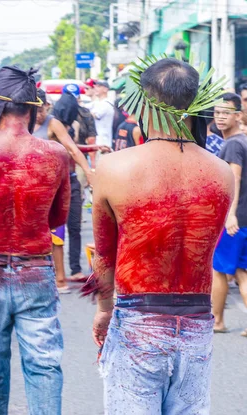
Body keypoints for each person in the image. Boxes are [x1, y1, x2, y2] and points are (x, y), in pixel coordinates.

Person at [88, 57, 233, 414]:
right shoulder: (220, 174)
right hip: (197, 326)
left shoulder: (113, 169)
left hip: (138, 321)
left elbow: (104, 255)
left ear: (143, 102)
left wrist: (104, 311)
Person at [0, 66, 70, 414]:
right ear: (34, 107)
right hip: (36, 267)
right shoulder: (56, 155)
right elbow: (58, 219)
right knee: (44, 364)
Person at [37, 86, 108, 288]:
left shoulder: (54, 124)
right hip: (41, 187)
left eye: (41, 110)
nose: (38, 115)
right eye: (35, 110)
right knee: (48, 232)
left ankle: (70, 272)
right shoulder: (24, 125)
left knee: (69, 228)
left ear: (47, 107)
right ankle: (50, 275)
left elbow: (72, 149)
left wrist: (90, 170)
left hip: (66, 182)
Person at [211, 92, 247, 336]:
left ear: (238, 115)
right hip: (243, 216)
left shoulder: (234, 143)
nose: (221, 117)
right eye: (217, 112)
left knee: (221, 270)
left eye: (226, 113)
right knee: (241, 271)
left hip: (236, 218)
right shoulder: (242, 140)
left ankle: (218, 321)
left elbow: (234, 178)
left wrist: (229, 215)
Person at [91, 80, 115, 150]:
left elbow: (94, 115)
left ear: (105, 89)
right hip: (98, 142)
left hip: (103, 144)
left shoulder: (106, 103)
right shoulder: (98, 102)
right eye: (95, 86)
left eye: (98, 86)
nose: (95, 88)